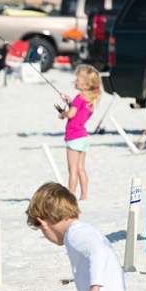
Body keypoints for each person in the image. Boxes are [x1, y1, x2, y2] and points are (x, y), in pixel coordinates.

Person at [59, 65, 102, 200]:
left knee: (72, 170)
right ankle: (84, 195)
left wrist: (63, 113)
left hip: (73, 137)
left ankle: (71, 196)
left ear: (85, 83)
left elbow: (72, 114)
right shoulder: (89, 100)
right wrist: (69, 102)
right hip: (83, 137)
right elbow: (79, 113)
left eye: (77, 79)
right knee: (81, 169)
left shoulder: (79, 98)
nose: (75, 81)